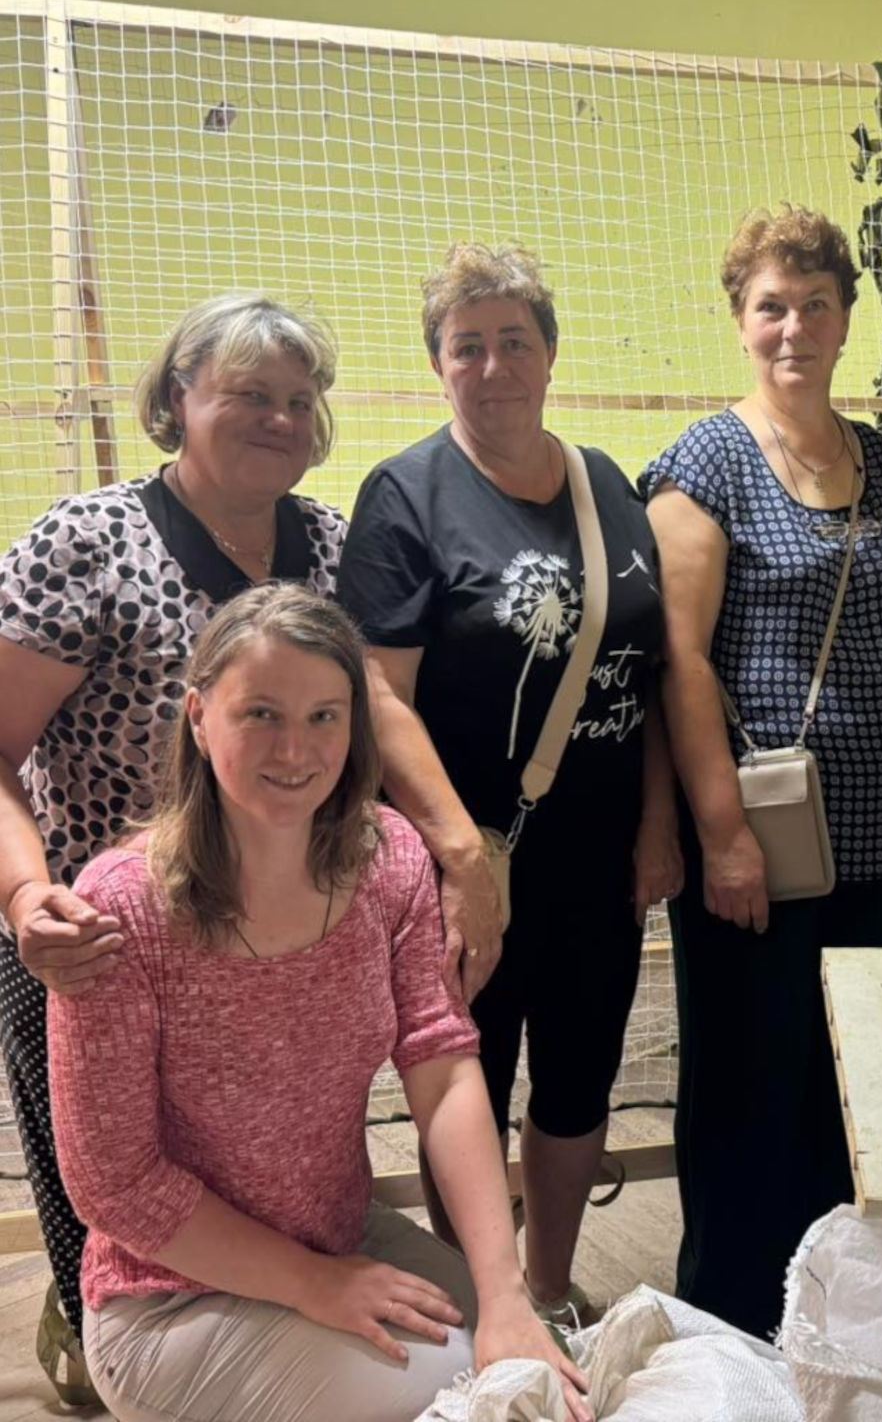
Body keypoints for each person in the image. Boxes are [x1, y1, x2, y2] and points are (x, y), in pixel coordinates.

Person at [48, 585, 591, 1422]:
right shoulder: (122, 908)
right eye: (261, 713)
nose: (295, 749)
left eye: (324, 717)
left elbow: (444, 1068)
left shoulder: (390, 861)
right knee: (479, 1394)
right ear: (199, 717)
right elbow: (115, 1186)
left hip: (339, 1238)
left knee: (539, 1362)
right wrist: (312, 1284)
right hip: (169, 1297)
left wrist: (506, 1290)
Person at [0, 294, 347, 1402]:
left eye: (298, 398)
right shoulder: (87, 545)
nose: (280, 418)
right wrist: (26, 897)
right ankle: (102, 1356)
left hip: (276, 952)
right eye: (248, 394)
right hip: (97, 950)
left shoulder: (333, 547)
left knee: (256, 1217)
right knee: (114, 1217)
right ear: (175, 398)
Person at [337, 243, 679, 1325]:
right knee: (465, 1084)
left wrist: (658, 823)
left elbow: (646, 672)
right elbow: (379, 696)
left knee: (579, 1077)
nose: (493, 367)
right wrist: (456, 856)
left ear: (550, 352)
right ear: (437, 363)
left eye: (514, 342)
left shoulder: (608, 483)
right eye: (466, 346)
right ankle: (484, 1298)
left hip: (600, 857)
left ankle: (550, 1284)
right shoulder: (405, 494)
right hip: (466, 863)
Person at [643, 205, 882, 1338]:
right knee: (744, 1087)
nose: (794, 326)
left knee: (836, 1091)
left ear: (847, 319)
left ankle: (826, 1321)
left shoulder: (879, 458)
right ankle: (727, 1324)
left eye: (815, 304)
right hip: (758, 837)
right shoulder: (708, 461)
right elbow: (679, 659)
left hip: (875, 836)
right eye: (771, 306)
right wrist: (720, 835)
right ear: (740, 320)